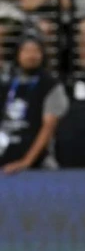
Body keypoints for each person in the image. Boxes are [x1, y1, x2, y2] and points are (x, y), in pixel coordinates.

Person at [0, 34, 69, 174]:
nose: (31, 55)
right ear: (17, 55)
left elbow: (48, 127)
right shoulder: (6, 84)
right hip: (5, 157)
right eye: (26, 51)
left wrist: (26, 162)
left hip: (38, 165)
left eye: (36, 51)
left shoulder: (51, 85)